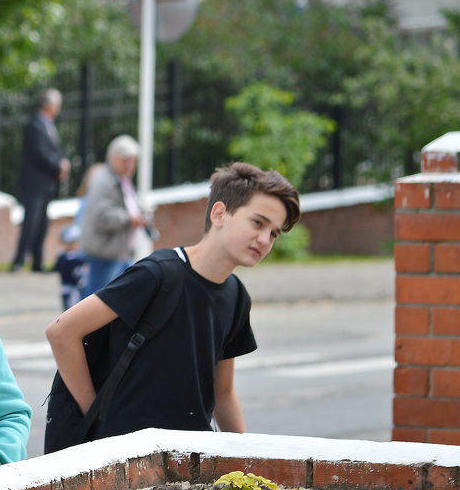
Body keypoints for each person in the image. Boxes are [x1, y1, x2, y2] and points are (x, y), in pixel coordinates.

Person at [45, 162, 301, 439]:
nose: (264, 239)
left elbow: (223, 392)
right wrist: (92, 412)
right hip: (124, 454)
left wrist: (247, 461)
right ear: (219, 213)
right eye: (258, 223)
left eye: (273, 233)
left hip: (190, 456)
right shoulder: (157, 274)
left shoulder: (236, 296)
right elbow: (62, 331)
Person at [78, 134, 147, 298]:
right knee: (95, 300)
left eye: (133, 160)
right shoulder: (104, 181)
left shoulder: (122, 180)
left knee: (116, 299)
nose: (130, 165)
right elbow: (100, 216)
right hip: (104, 253)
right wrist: (128, 219)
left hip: (118, 251)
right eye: (126, 160)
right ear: (113, 158)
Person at [11, 89, 70, 273]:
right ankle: (19, 260)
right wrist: (57, 166)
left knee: (42, 223)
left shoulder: (49, 125)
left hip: (47, 183)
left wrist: (63, 163)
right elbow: (40, 153)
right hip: (34, 183)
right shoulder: (34, 125)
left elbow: (54, 150)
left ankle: (37, 261)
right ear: (50, 105)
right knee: (31, 222)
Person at [54, 224, 87, 311]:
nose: (74, 245)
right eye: (72, 243)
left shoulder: (78, 256)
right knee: (70, 309)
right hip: (69, 288)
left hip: (78, 288)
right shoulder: (66, 258)